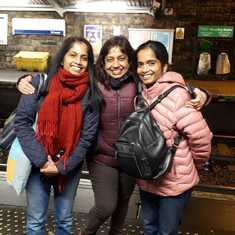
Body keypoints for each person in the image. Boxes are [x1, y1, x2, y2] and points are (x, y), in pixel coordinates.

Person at [17, 36, 209, 235]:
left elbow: (166, 83)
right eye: (110, 59)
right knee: (106, 205)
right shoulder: (93, 84)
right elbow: (59, 88)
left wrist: (197, 91)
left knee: (122, 204)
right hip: (102, 157)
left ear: (130, 62)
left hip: (132, 158)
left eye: (122, 58)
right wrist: (24, 79)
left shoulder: (139, 83)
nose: (116, 65)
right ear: (102, 62)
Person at [14, 36, 101, 235]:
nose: (78, 61)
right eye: (73, 55)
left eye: (84, 57)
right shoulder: (38, 84)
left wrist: (62, 166)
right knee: (35, 222)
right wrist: (43, 162)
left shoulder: (91, 94)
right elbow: (22, 123)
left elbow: (87, 138)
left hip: (69, 166)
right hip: (38, 164)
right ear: (62, 58)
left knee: (65, 220)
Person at [135, 40, 212, 235]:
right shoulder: (142, 95)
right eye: (140, 64)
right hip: (148, 179)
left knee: (166, 232)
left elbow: (201, 138)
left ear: (165, 66)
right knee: (149, 227)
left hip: (175, 183)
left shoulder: (178, 95)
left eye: (151, 63)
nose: (145, 69)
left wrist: (195, 165)